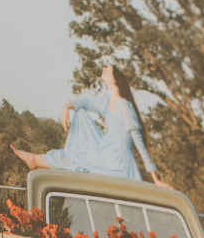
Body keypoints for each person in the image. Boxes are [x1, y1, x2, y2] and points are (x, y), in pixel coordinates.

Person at [11, 65, 171, 187]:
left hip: (119, 162)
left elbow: (139, 142)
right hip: (106, 152)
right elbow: (86, 103)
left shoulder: (124, 106)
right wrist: (67, 107)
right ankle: (37, 161)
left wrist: (155, 178)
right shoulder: (106, 101)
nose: (103, 68)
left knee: (76, 160)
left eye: (108, 68)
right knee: (79, 115)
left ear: (116, 79)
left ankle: (36, 161)